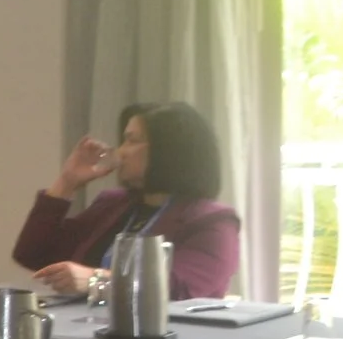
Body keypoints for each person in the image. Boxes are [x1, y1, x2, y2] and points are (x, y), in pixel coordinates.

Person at [14, 102, 242, 299]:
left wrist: (96, 280)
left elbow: (180, 288)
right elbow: (34, 255)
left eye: (132, 141)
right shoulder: (113, 204)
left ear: (169, 151)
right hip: (87, 333)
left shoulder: (213, 221)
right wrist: (67, 182)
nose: (121, 152)